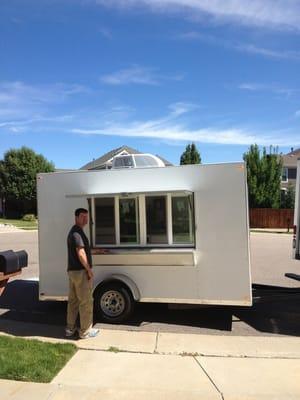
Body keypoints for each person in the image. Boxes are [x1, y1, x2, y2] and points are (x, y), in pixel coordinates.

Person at [65, 208, 99, 339]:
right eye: (83, 217)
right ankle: (85, 332)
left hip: (73, 272)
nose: (85, 219)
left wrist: (95, 251)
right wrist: (89, 270)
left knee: (73, 302)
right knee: (86, 302)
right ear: (76, 217)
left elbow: (82, 251)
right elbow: (80, 253)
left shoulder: (74, 232)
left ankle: (70, 329)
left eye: (87, 217)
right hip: (81, 272)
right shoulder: (77, 234)